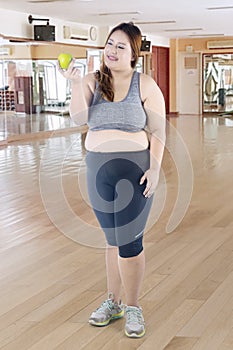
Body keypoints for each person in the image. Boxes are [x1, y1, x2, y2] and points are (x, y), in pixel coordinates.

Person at [58, 21, 166, 338]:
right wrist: (75, 83)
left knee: (130, 243)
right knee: (111, 241)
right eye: (109, 44)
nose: (112, 50)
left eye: (121, 46)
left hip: (134, 172)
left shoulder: (144, 84)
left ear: (134, 54)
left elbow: (159, 130)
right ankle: (113, 302)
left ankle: (133, 307)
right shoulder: (92, 81)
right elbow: (78, 119)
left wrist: (156, 168)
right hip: (97, 171)